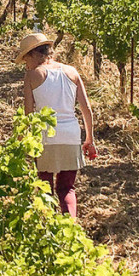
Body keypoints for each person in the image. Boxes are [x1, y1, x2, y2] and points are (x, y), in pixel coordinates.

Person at [16, 32, 96, 218]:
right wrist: (89, 139)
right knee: (67, 188)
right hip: (71, 135)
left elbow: (28, 114)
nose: (26, 65)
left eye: (26, 59)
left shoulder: (32, 75)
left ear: (33, 54)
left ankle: (48, 226)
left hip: (46, 137)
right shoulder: (72, 71)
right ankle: (69, 225)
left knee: (44, 187)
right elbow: (86, 109)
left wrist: (23, 140)